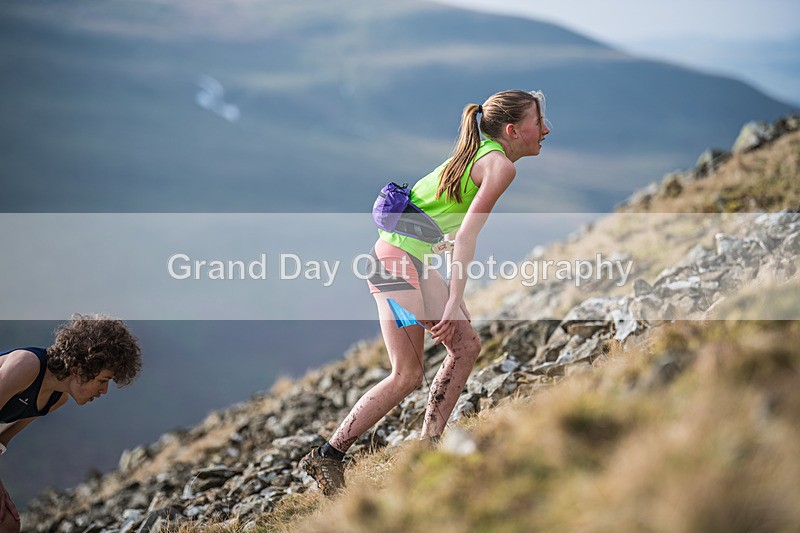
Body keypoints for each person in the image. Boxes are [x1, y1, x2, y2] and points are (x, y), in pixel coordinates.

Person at [300, 89, 551, 496]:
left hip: (404, 262)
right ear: (513, 129)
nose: (546, 130)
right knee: (407, 374)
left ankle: (428, 444)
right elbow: (466, 236)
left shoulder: (479, 148)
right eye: (539, 122)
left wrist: (453, 297)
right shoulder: (500, 166)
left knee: (466, 345)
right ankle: (327, 454)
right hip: (396, 266)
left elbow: (443, 231)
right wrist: (452, 299)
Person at [0, 314, 142, 533]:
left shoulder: (56, 399)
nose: (104, 391)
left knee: (8, 523)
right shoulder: (26, 365)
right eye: (103, 381)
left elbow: (2, 438)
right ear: (78, 370)